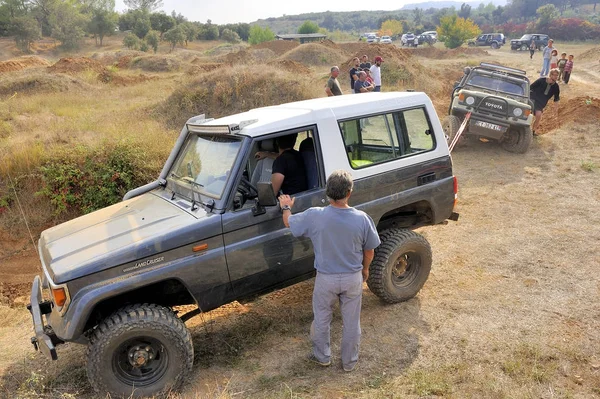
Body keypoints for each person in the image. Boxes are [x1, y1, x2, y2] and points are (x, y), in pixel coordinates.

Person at [278, 170, 380, 372]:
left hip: (326, 279)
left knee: (322, 318)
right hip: (352, 278)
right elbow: (370, 251)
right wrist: (365, 270)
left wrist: (286, 206)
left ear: (327, 192)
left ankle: (322, 356)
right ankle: (349, 363)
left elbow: (289, 222)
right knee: (352, 322)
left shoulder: (315, 215)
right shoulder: (362, 218)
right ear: (349, 192)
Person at [530, 69, 560, 135]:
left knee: (538, 115)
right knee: (527, 113)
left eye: (557, 76)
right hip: (532, 99)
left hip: (540, 104)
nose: (556, 77)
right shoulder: (541, 80)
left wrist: (555, 110)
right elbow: (531, 87)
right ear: (550, 75)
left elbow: (556, 98)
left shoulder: (556, 87)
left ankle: (533, 131)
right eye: (554, 75)